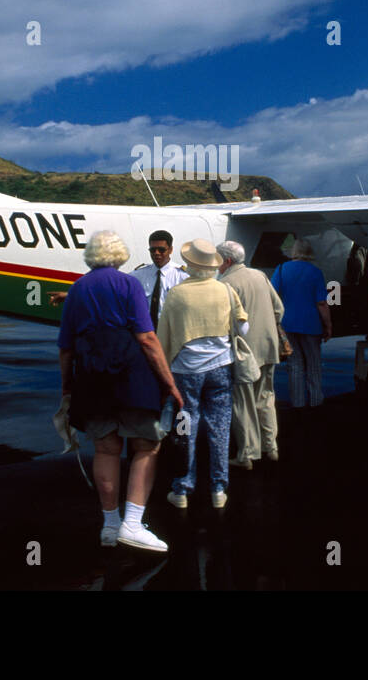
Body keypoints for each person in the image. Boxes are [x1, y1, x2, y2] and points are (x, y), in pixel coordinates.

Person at [57, 230, 184, 551]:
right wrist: (169, 383)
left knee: (105, 449)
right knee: (146, 446)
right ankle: (133, 522)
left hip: (90, 373)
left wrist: (67, 386)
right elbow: (146, 338)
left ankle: (110, 526)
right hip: (130, 373)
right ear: (119, 254)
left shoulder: (78, 289)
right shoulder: (129, 284)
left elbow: (66, 349)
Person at [157, 238, 248, 509]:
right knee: (220, 425)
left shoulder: (176, 294)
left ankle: (183, 488)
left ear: (190, 265)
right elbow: (242, 328)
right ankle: (218, 489)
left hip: (186, 370)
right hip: (221, 366)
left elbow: (163, 338)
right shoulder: (225, 290)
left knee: (186, 427)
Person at [217, 239, 284, 467]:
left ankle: (248, 454)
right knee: (266, 397)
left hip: (244, 352)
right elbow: (279, 309)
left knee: (242, 403)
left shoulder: (225, 283)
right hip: (268, 346)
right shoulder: (260, 276)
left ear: (226, 260)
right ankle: (271, 446)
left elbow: (226, 322)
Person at [271, 238, 332, 408]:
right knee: (313, 364)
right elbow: (322, 303)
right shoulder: (315, 272)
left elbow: (273, 296)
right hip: (311, 325)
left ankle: (297, 403)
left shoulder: (281, 269)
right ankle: (315, 402)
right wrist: (328, 325)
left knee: (295, 364)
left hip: (288, 324)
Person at [132, 230, 187, 330]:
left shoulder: (182, 277)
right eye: (153, 250)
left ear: (170, 250)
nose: (156, 253)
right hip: (146, 331)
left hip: (171, 331)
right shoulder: (138, 276)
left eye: (161, 250)